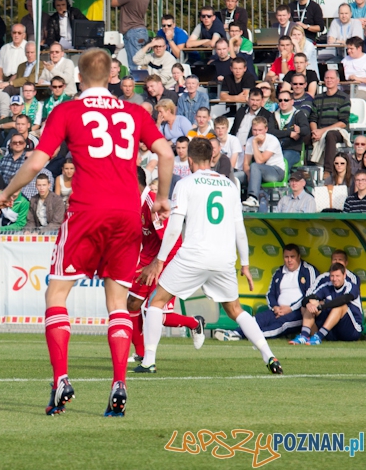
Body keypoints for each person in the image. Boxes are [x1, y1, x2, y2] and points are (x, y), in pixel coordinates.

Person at [0, 48, 174, 416]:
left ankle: (61, 379)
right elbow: (166, 153)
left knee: (57, 293)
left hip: (88, 210)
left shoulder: (68, 110)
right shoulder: (135, 111)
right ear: (111, 77)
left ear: (78, 78)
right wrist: (163, 198)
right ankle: (119, 381)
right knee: (118, 303)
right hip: (126, 213)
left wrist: (6, 192)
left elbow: (38, 160)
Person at [137, 138, 282, 375]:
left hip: (193, 255)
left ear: (190, 160)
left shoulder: (185, 184)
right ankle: (270, 356)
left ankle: (148, 361)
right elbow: (239, 229)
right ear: (213, 158)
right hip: (223, 259)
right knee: (236, 310)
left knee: (157, 302)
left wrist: (160, 260)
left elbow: (174, 227)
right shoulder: (230, 185)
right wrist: (244, 264)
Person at [128, 167, 203, 366]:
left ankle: (195, 323)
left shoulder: (152, 203)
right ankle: (141, 353)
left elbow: (171, 238)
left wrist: (158, 264)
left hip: (166, 259)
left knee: (157, 312)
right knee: (132, 305)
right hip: (147, 260)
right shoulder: (134, 203)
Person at [215, 244, 318, 342]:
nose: (289, 260)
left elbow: (310, 295)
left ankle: (252, 336)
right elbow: (270, 294)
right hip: (277, 310)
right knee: (257, 319)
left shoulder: (308, 270)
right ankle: (234, 333)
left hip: (298, 312)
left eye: (292, 257)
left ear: (299, 257)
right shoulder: (279, 272)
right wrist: (275, 307)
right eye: (286, 257)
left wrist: (290, 308)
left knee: (281, 325)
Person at [289, 263, 362, 345]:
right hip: (333, 331)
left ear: (344, 275)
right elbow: (306, 299)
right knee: (310, 304)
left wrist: (322, 306)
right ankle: (304, 336)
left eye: (337, 276)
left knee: (339, 306)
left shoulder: (351, 286)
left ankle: (318, 337)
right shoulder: (327, 286)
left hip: (351, 331)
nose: (334, 279)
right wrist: (309, 304)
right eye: (332, 276)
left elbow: (343, 300)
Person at [310, 69, 351, 177]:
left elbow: (343, 122)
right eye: (327, 78)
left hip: (338, 131)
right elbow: (313, 118)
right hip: (319, 130)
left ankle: (328, 170)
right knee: (303, 134)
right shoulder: (318, 98)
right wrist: (315, 131)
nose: (329, 80)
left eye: (331, 78)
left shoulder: (343, 98)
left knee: (330, 135)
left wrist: (322, 131)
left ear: (337, 80)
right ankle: (304, 168)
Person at [242, 116, 285, 208]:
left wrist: (254, 143)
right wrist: (250, 174)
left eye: (260, 130)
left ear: (266, 129)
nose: (257, 133)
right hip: (258, 172)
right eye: (254, 130)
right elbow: (245, 164)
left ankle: (253, 197)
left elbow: (260, 160)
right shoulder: (250, 140)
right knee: (236, 176)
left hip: (276, 171)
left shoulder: (272, 140)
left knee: (255, 166)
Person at [111, 0, 150, 66]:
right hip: (142, 30)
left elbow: (113, 2)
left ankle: (136, 81)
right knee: (140, 62)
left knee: (134, 64)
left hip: (132, 31)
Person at [267, 89, 309, 168]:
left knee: (283, 163)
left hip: (292, 150)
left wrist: (299, 130)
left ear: (292, 102)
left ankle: (284, 180)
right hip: (275, 149)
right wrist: (289, 133)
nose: (283, 102)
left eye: (286, 100)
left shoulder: (298, 114)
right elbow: (270, 131)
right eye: (280, 100)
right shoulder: (273, 115)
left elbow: (306, 130)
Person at [342, 36, 366, 101]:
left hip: (361, 89)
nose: (349, 51)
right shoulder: (345, 60)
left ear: (359, 48)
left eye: (351, 49)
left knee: (353, 100)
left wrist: (357, 78)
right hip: (345, 89)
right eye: (348, 49)